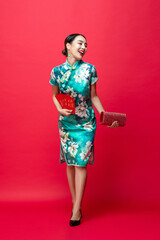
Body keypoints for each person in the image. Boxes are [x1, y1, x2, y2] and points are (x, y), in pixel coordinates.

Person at [49, 33, 119, 226]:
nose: (84, 47)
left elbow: (94, 96)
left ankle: (77, 209)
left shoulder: (90, 69)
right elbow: (55, 95)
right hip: (66, 122)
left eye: (86, 44)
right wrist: (58, 108)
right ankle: (75, 202)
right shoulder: (56, 71)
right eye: (80, 43)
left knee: (81, 163)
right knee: (71, 163)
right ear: (68, 45)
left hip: (87, 122)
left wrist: (105, 115)